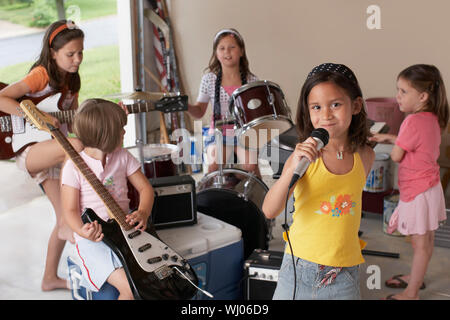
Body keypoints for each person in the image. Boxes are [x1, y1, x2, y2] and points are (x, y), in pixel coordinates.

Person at [263, 63, 375, 300]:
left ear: (355, 105)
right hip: (299, 269)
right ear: (308, 111)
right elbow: (270, 210)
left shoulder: (365, 156)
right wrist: (293, 165)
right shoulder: (303, 157)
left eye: (335, 104)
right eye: (316, 107)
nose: (325, 115)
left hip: (344, 272)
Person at [0, 20, 84, 291]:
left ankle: (49, 278)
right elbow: (2, 98)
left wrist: (105, 116)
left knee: (64, 220)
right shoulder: (42, 75)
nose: (77, 59)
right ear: (54, 53)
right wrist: (36, 116)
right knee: (77, 146)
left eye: (81, 53)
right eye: (70, 54)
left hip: (54, 150)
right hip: (29, 150)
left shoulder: (73, 80)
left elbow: (74, 121)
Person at [60, 99, 154, 300]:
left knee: (150, 280)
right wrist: (83, 231)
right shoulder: (73, 167)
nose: (124, 132)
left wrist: (143, 211)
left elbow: (145, 188)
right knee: (131, 289)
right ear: (106, 136)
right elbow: (68, 210)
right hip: (95, 240)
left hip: (125, 232)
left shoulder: (122, 156)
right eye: (121, 129)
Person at [369, 64, 449, 300]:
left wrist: (391, 142)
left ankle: (411, 292)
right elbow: (416, 144)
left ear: (422, 96)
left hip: (417, 191)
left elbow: (397, 155)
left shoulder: (411, 122)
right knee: (425, 240)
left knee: (420, 243)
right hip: (430, 188)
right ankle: (417, 276)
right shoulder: (432, 118)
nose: (398, 96)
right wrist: (392, 137)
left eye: (403, 91)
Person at [187, 28, 261, 176]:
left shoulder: (252, 80)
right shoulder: (209, 79)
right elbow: (199, 112)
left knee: (250, 166)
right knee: (215, 166)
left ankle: (258, 195)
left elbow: (256, 114)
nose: (227, 52)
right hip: (218, 133)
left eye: (232, 47)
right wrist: (185, 106)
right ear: (216, 53)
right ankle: (209, 194)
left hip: (243, 134)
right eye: (222, 48)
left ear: (241, 51)